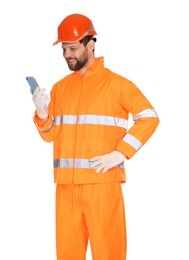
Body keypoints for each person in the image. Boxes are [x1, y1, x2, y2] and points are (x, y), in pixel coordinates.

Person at [32, 13, 160, 260]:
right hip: (66, 187)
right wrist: (42, 114)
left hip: (102, 184)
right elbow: (50, 136)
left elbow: (149, 117)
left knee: (109, 253)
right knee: (67, 255)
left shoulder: (117, 85)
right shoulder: (60, 87)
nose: (67, 54)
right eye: (63, 49)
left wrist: (121, 153)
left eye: (72, 48)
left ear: (90, 45)